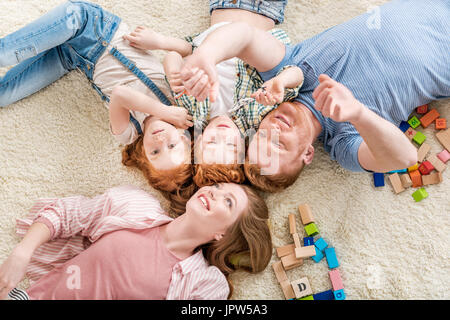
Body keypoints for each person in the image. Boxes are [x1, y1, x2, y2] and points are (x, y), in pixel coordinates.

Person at [180, 0, 450, 192]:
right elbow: (404, 159)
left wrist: (206, 55)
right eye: (279, 145)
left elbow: (244, 35)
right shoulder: (344, 142)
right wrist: (358, 113)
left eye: (262, 136)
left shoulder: (285, 74)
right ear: (307, 154)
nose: (273, 130)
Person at [0, 0, 194, 212]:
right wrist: (159, 41)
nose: (160, 140)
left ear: (143, 154)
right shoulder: (180, 104)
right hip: (91, 26)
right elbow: (185, 50)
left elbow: (121, 94)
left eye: (155, 152)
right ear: (184, 137)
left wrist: (163, 112)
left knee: (4, 94)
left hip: (71, 58)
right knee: (5, 54)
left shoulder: (128, 133)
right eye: (172, 146)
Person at [118, 0, 303, 189]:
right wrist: (281, 81)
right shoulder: (254, 115)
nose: (223, 134)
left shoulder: (191, 110)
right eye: (231, 146)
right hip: (261, 12)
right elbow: (297, 73)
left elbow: (177, 54)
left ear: (197, 142)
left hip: (222, 7)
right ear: (243, 147)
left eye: (212, 141)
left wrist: (172, 69)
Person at [0, 183, 272, 300]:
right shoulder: (136, 206)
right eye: (217, 187)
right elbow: (66, 213)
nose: (213, 193)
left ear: (223, 234)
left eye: (227, 201)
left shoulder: (205, 283)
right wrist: (22, 252)